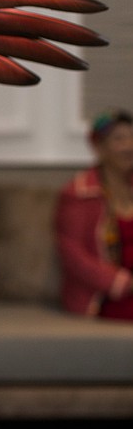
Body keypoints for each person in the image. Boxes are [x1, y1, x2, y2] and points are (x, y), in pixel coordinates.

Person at [56, 108, 133, 319]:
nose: (129, 146)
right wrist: (123, 283)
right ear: (99, 147)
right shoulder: (78, 193)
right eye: (119, 139)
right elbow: (72, 255)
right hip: (102, 295)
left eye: (132, 138)